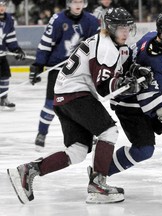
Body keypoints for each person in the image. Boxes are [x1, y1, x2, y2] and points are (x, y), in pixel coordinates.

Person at [7, 7, 147, 204]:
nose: (125, 32)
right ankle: (98, 185)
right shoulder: (105, 47)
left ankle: (28, 170)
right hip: (76, 94)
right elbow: (104, 89)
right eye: (121, 28)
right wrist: (124, 85)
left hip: (64, 96)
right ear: (110, 28)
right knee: (109, 132)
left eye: (127, 28)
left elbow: (120, 64)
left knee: (78, 151)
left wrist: (133, 70)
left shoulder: (108, 42)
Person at [108, 11, 162, 194]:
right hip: (130, 104)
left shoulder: (152, 38)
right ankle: (101, 171)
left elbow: (152, 77)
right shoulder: (154, 56)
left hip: (142, 97)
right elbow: (146, 95)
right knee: (144, 150)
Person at [29, 0, 100, 151]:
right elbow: (45, 43)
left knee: (85, 103)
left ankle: (89, 133)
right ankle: (42, 133)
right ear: (69, 3)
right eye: (75, 1)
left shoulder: (92, 21)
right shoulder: (58, 20)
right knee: (51, 103)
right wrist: (38, 64)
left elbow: (97, 46)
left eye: (80, 1)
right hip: (59, 68)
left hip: (81, 70)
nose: (78, 4)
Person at [0, 0, 25, 111]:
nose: (2, 7)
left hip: (1, 55)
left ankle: (3, 98)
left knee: (5, 74)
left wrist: (16, 49)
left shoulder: (9, 19)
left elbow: (10, 38)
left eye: (3, 5)